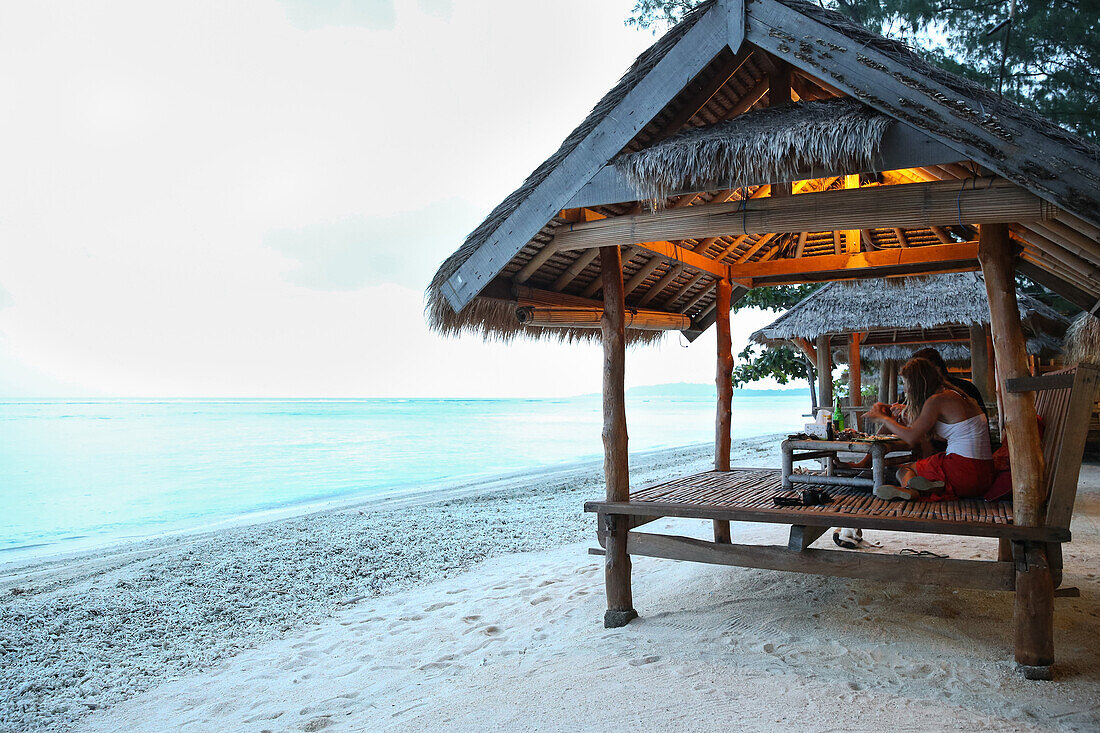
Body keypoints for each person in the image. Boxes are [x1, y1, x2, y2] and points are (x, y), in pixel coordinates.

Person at [865, 357, 994, 500]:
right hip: (985, 475)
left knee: (904, 470)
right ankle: (932, 487)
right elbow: (955, 432)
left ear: (916, 384)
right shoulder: (958, 395)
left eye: (906, 383)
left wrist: (883, 418)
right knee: (928, 461)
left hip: (961, 471)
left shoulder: (936, 401)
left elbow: (911, 437)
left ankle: (909, 489)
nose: (906, 389)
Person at [910, 347, 988, 418]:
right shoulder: (963, 387)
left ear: (937, 370)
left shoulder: (951, 392)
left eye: (920, 373)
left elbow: (917, 430)